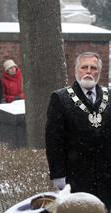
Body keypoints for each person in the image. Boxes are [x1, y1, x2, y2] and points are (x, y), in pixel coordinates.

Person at [45, 52, 111, 209]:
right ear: (76, 71)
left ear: (99, 72)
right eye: (84, 67)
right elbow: (54, 139)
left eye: (93, 68)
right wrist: (58, 174)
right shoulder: (61, 98)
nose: (88, 71)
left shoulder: (109, 97)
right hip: (75, 174)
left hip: (106, 175)